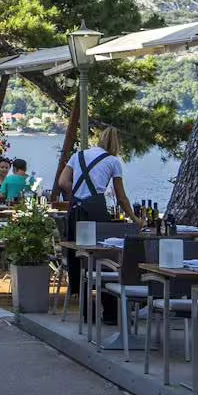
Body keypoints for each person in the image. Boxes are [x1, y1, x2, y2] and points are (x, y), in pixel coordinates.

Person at [53, 127, 133, 309]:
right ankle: (111, 310)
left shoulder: (78, 156)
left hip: (75, 209)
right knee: (105, 258)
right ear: (116, 144)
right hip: (96, 209)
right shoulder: (113, 161)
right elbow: (121, 197)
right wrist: (135, 219)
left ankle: (84, 307)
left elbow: (63, 182)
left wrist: (80, 194)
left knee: (80, 256)